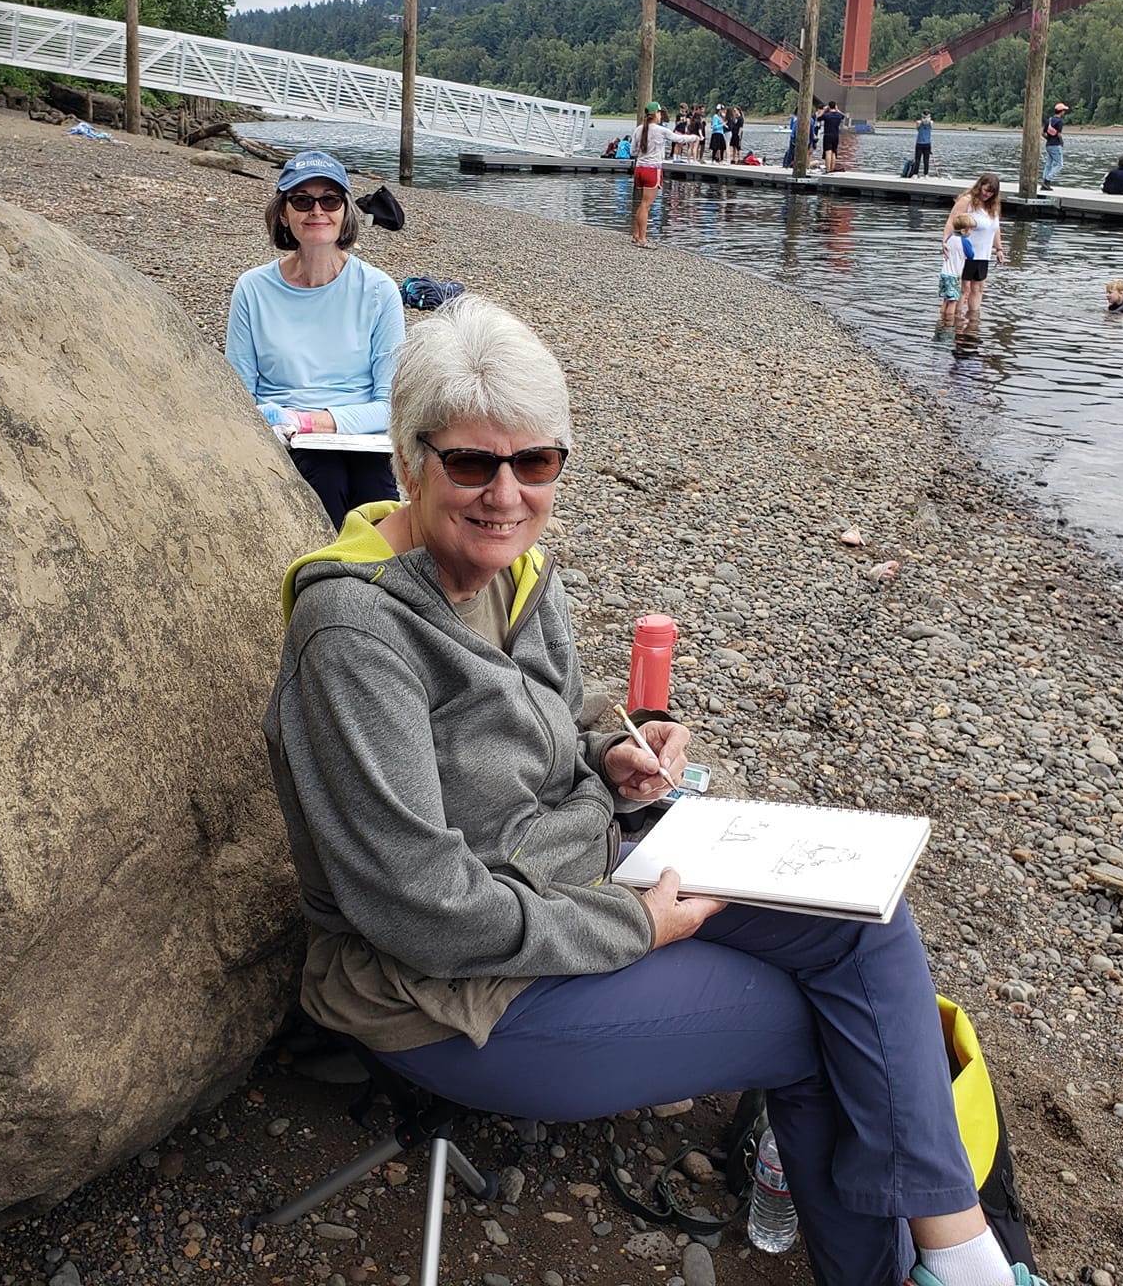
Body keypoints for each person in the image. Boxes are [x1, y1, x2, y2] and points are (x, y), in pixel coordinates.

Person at [264, 294, 1046, 1286]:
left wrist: (609, 756)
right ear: (408, 462)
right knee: (821, 1033)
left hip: (581, 873)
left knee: (865, 918)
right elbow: (418, 910)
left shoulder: (513, 571)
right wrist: (632, 926)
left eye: (534, 462)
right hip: (447, 994)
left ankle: (959, 1254)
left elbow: (550, 719)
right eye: (470, 464)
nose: (505, 493)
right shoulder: (355, 636)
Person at [226, 151, 405, 527]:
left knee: (375, 492)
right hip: (284, 437)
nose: (317, 210)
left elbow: (390, 405)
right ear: (283, 213)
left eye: (330, 200)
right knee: (325, 477)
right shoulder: (252, 289)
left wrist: (308, 421)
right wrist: (281, 422)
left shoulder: (379, 290)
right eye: (302, 200)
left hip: (360, 435)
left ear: (346, 211)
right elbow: (238, 393)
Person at [630, 102, 700, 246]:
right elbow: (679, 139)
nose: (661, 115)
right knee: (646, 205)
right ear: (656, 114)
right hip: (652, 170)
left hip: (639, 169)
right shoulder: (661, 130)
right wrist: (694, 137)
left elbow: (633, 152)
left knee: (642, 204)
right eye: (660, 113)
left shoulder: (638, 129)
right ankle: (642, 239)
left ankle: (636, 234)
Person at [943, 173, 1005, 334]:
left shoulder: (992, 207)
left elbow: (995, 228)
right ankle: (955, 323)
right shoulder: (968, 201)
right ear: (980, 186)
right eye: (985, 190)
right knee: (963, 289)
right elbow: (952, 220)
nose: (987, 194)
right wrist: (945, 241)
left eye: (991, 192)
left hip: (983, 255)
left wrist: (999, 248)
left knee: (978, 288)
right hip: (966, 253)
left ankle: (973, 323)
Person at [938, 210, 975, 327]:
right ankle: (949, 324)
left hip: (944, 273)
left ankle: (941, 320)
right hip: (954, 275)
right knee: (953, 301)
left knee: (945, 299)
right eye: (970, 229)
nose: (971, 232)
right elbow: (971, 255)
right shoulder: (965, 241)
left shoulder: (950, 237)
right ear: (964, 231)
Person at [1041, 103, 1068, 189]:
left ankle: (1044, 181)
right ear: (1061, 111)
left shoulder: (1049, 120)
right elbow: (1059, 134)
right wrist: (1061, 142)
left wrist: (1048, 139)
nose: (1064, 112)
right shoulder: (1059, 121)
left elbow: (1043, 133)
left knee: (1048, 164)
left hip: (1048, 145)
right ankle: (1048, 180)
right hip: (1056, 145)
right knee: (1059, 164)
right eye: (1064, 110)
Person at [819, 99, 847, 172]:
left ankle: (828, 169)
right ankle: (832, 168)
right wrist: (837, 110)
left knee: (828, 151)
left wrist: (824, 110)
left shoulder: (826, 115)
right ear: (835, 106)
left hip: (828, 135)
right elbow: (844, 116)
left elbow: (818, 118)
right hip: (836, 135)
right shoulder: (839, 115)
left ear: (829, 107)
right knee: (834, 152)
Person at [914, 111, 935, 177]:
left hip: (927, 144)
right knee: (917, 160)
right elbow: (918, 127)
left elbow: (930, 122)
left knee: (926, 160)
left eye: (927, 117)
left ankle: (926, 174)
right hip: (919, 143)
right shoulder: (918, 123)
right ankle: (915, 174)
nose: (926, 118)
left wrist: (927, 120)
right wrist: (923, 120)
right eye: (924, 117)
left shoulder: (931, 123)